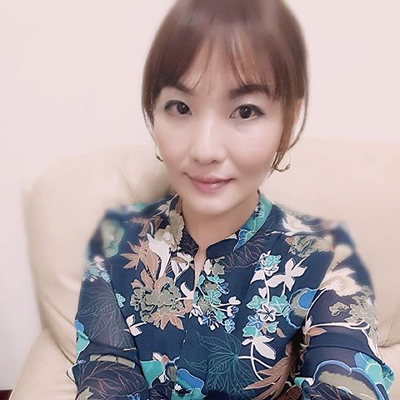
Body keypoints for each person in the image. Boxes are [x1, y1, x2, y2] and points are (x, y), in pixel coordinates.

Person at [67, 0, 395, 399]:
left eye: (245, 111)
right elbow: (104, 380)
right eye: (180, 107)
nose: (205, 149)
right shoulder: (115, 241)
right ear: (153, 113)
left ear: (288, 121)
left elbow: (349, 383)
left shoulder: (326, 257)